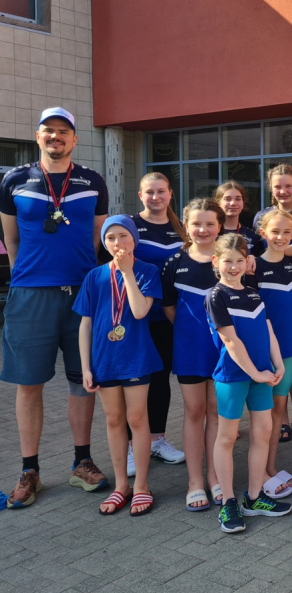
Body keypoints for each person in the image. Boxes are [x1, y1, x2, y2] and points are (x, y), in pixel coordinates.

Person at [1, 107, 110, 509]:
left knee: (83, 380)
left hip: (82, 293)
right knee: (29, 383)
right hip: (31, 295)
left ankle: (82, 462)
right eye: (49, 130)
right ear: (38, 136)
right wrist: (30, 277)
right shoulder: (14, 180)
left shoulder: (92, 181)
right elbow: (11, 240)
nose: (56, 136)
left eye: (64, 131)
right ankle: (29, 470)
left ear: (74, 139)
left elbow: (97, 236)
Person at [74, 215, 162, 516]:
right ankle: (122, 485)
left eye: (123, 235)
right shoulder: (94, 276)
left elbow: (139, 312)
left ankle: (142, 486)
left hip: (136, 358)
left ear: (134, 239)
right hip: (104, 360)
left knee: (137, 419)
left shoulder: (147, 271)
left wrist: (127, 273)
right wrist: (85, 367)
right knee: (113, 420)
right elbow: (85, 325)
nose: (117, 243)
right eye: (110, 238)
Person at [205, 233, 291, 533]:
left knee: (263, 433)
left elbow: (268, 331)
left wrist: (278, 364)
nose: (233, 267)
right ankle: (228, 503)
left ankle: (254, 497)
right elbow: (230, 341)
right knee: (227, 438)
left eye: (239, 261)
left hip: (262, 375)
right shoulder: (215, 295)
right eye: (227, 261)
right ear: (215, 261)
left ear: (247, 262)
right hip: (234, 377)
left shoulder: (254, 293)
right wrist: (256, 373)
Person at [161, 198, 224, 510]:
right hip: (189, 350)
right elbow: (170, 308)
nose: (203, 229)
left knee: (216, 412)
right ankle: (194, 481)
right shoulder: (174, 263)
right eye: (197, 223)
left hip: (224, 349)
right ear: (186, 225)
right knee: (194, 411)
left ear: (220, 226)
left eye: (210, 223)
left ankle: (214, 476)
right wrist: (192, 332)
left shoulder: (228, 260)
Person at [128, 172, 187, 474]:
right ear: (140, 195)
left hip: (168, 317)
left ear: (170, 194)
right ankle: (131, 446)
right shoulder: (130, 225)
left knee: (161, 379)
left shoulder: (182, 228)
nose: (155, 197)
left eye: (161, 191)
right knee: (135, 381)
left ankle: (156, 440)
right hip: (135, 318)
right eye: (149, 192)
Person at [252, 210, 292, 498]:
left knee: (278, 412)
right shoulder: (252, 267)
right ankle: (258, 474)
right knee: (262, 416)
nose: (281, 237)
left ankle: (270, 467)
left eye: (287, 232)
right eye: (275, 231)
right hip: (262, 353)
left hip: (288, 352)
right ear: (263, 233)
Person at [217, 181, 262, 255]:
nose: (233, 203)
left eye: (238, 199)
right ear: (218, 203)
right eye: (227, 199)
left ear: (243, 203)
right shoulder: (211, 233)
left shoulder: (253, 236)